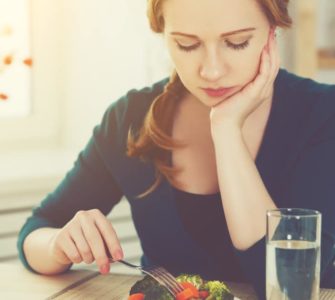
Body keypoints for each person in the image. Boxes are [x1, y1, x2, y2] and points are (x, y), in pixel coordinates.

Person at [18, 0, 335, 299]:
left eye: (237, 42)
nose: (211, 71)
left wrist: (226, 130)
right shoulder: (130, 118)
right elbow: (37, 231)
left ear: (273, 30)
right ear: (163, 32)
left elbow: (288, 286)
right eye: (187, 45)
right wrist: (59, 245)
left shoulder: (322, 114)